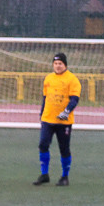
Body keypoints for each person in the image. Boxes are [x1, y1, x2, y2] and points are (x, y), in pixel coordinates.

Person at [34, 52, 81, 187]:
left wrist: (66, 112)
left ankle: (65, 177)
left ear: (65, 65)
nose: (57, 66)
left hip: (63, 122)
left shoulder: (72, 79)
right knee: (43, 144)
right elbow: (45, 98)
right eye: (55, 63)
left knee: (64, 148)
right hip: (48, 119)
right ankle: (44, 174)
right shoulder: (48, 78)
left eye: (60, 63)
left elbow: (74, 99)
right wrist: (42, 113)